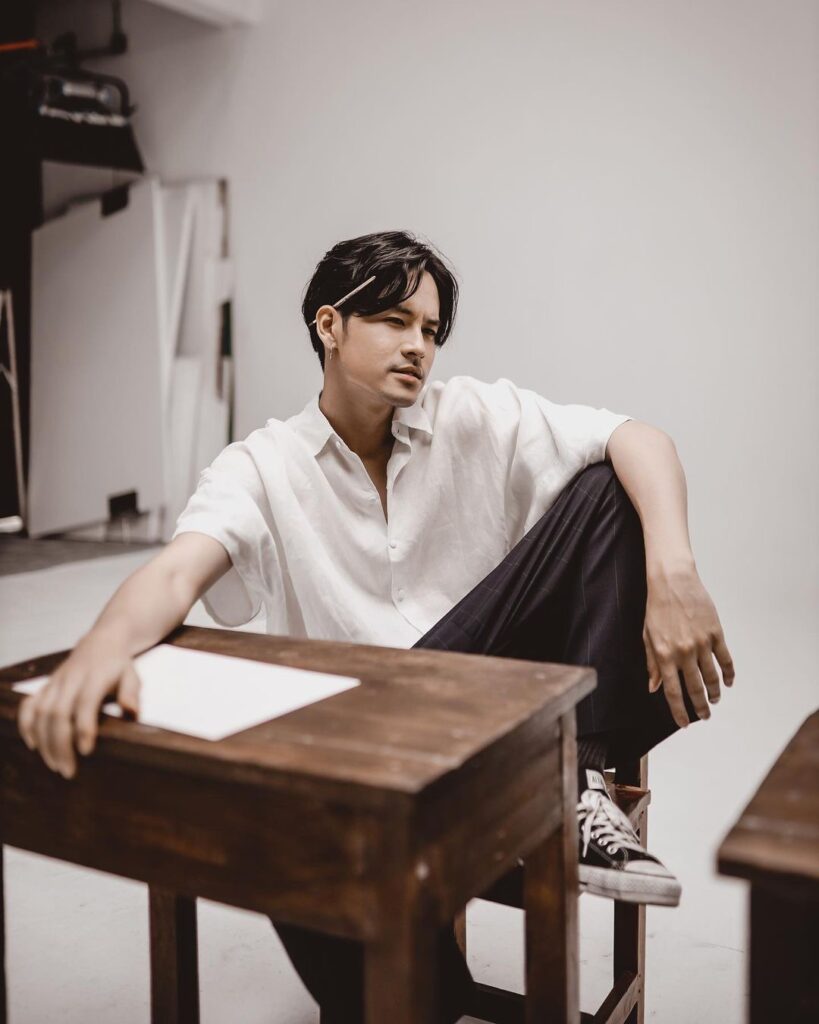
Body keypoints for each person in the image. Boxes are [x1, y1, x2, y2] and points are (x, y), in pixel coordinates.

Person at [17, 229, 735, 1022]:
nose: (418, 345)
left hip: (482, 701)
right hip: (356, 742)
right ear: (329, 325)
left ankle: (577, 782)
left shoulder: (468, 414)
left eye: (430, 329)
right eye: (394, 320)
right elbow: (177, 572)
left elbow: (637, 438)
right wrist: (101, 647)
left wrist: (674, 573)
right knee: (381, 950)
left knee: (606, 488)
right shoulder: (263, 464)